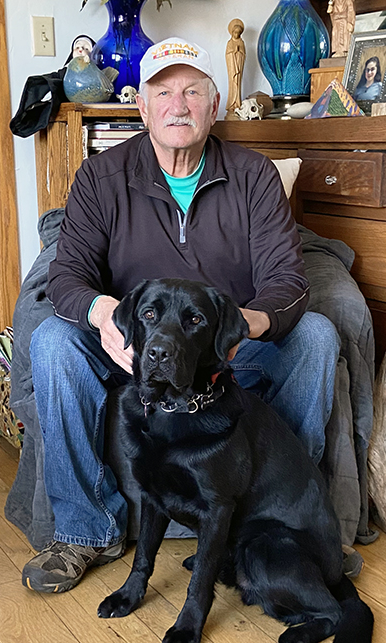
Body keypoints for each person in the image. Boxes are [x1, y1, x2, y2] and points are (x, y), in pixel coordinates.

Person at [21, 36, 340, 593]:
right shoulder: (101, 177)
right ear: (141, 106)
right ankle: (84, 531)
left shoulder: (254, 176)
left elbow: (288, 282)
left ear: (212, 106)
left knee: (315, 335)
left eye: (193, 90)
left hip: (224, 350)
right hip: (135, 349)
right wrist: (104, 315)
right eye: (163, 91)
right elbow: (66, 276)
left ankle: (290, 527)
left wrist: (247, 325)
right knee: (52, 342)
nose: (178, 104)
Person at [225, 19, 246, 116]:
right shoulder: (229, 43)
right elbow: (227, 54)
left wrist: (239, 53)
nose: (236, 34)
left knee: (238, 83)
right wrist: (233, 52)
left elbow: (243, 55)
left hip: (238, 65)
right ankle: (231, 104)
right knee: (232, 84)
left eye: (238, 33)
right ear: (232, 32)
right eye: (235, 32)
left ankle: (237, 103)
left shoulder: (241, 42)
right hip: (232, 67)